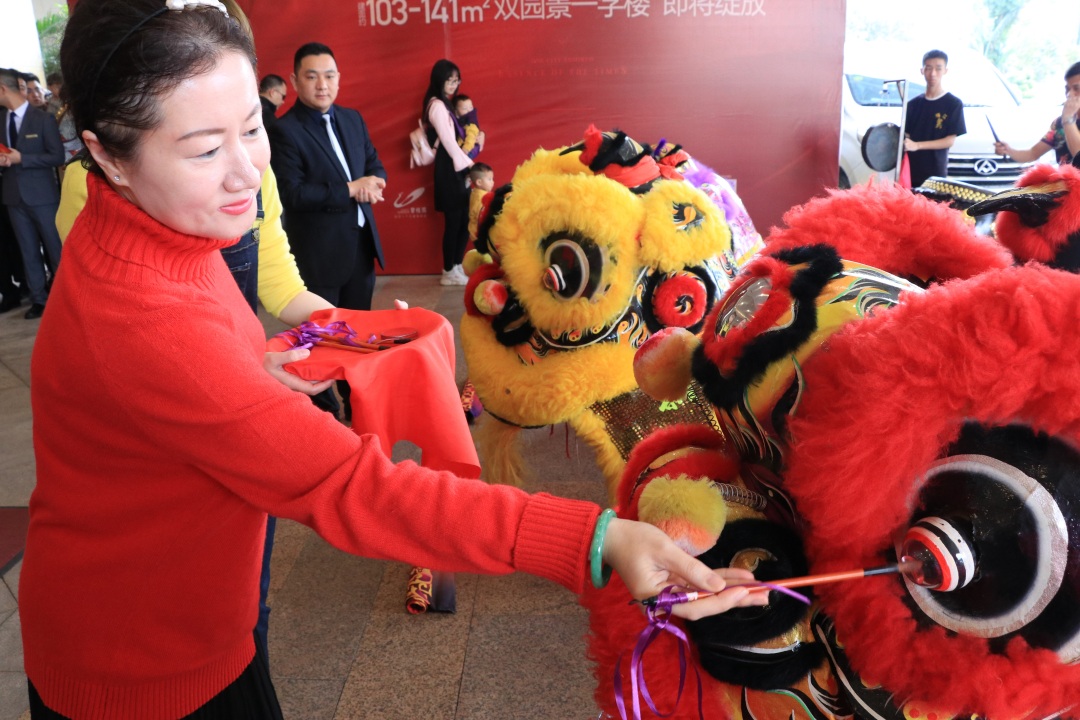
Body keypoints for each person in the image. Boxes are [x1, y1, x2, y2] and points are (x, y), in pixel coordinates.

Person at [23, 1, 766, 716]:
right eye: (205, 149)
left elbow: (182, 362)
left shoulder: (165, 227)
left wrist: (246, 365)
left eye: (252, 129)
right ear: (105, 156)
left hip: (194, 614)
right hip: (141, 665)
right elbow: (351, 486)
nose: (248, 172)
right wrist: (593, 539)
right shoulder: (144, 316)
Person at [269, 41, 387, 421]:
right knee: (319, 339)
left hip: (358, 247)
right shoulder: (285, 130)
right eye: (312, 76)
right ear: (295, 81)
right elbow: (292, 193)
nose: (323, 84)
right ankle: (321, 414)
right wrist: (351, 189)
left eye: (330, 75)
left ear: (339, 79)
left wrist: (375, 182)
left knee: (358, 333)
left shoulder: (352, 119)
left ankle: (358, 402)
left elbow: (374, 164)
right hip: (319, 253)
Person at [0, 67, 64, 319]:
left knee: (54, 247)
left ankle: (64, 295)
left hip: (42, 196)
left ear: (3, 89)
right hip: (13, 196)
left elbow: (56, 156)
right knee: (28, 250)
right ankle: (39, 299)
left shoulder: (42, 118)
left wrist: (21, 158)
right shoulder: (2, 119)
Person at [423, 59, 481, 286]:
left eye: (456, 80)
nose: (453, 84)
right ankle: (448, 270)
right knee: (454, 220)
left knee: (462, 220)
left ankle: (456, 266)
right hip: (450, 168)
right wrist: (468, 165)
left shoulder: (446, 103)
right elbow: (448, 142)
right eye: (449, 79)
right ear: (440, 79)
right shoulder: (437, 105)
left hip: (456, 166)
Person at [994, 61, 1080, 166]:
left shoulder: (1066, 120)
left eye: (1077, 88)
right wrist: (1009, 151)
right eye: (1067, 89)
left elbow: (1078, 156)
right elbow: (1033, 153)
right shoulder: (1059, 123)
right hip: (1064, 181)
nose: (1069, 94)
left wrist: (1068, 120)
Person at [902, 49, 966, 188]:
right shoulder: (912, 104)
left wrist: (917, 145)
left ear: (945, 71)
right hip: (911, 170)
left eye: (938, 68)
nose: (933, 73)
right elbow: (906, 137)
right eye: (928, 68)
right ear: (922, 70)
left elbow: (949, 141)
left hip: (936, 172)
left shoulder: (953, 103)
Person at [467, 161, 493, 242]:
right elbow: (481, 216)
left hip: (476, 231)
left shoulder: (476, 192)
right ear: (479, 182)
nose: (493, 182)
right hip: (479, 233)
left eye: (492, 179)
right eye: (489, 179)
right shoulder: (481, 197)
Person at [453, 93, 483, 160]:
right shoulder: (461, 121)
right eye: (465, 108)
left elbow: (471, 137)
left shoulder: (470, 123)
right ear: (456, 111)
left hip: (468, 151)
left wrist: (465, 149)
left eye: (471, 107)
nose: (469, 110)